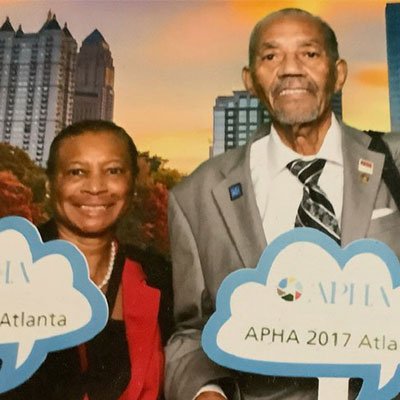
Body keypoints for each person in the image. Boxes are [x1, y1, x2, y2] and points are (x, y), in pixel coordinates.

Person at [165, 8, 400, 400]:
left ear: (338, 73)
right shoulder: (197, 195)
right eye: (271, 56)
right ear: (251, 79)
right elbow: (191, 333)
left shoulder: (393, 161)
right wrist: (205, 390)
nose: (290, 70)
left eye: (309, 54)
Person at [2, 120, 172, 400]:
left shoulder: (159, 277)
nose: (95, 187)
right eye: (77, 172)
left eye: (113, 171)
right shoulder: (7, 266)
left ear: (132, 185)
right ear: (50, 184)